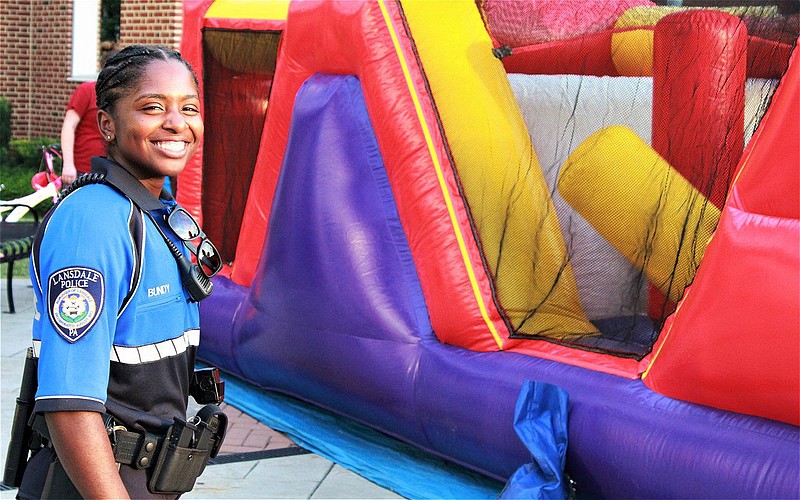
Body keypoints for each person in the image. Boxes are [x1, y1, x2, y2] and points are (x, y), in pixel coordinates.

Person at [17, 45, 223, 499]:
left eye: (189, 108)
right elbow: (69, 403)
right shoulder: (93, 220)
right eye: (152, 108)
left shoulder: (157, 213)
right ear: (107, 124)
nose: (177, 122)